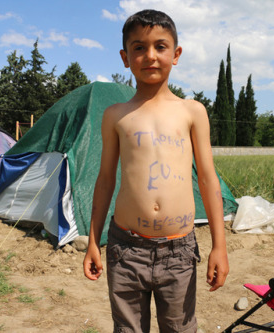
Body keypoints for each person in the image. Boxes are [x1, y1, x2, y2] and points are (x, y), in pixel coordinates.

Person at [83, 9, 229, 332]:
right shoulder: (116, 116)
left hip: (179, 252)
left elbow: (207, 179)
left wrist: (220, 245)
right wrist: (94, 240)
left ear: (176, 54)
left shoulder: (192, 112)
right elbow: (106, 179)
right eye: (139, 47)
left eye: (160, 47)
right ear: (125, 57)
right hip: (126, 250)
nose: (150, 56)